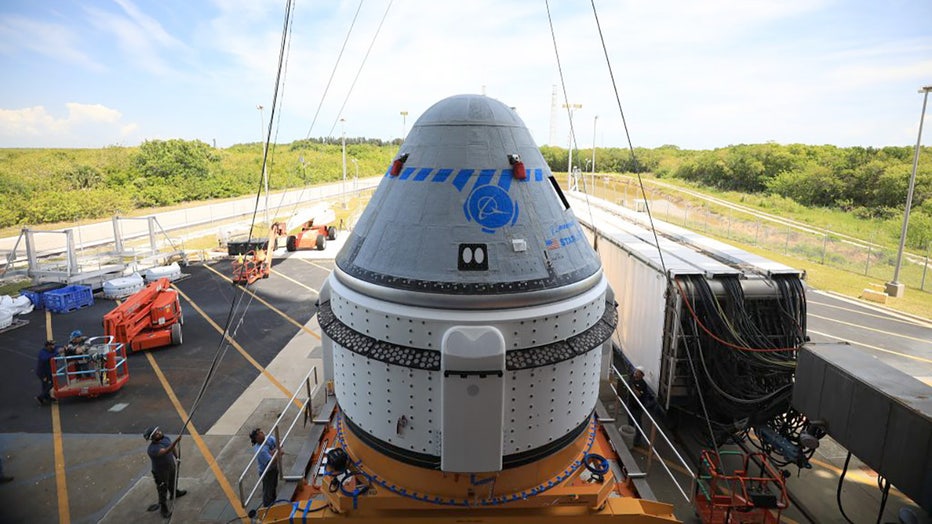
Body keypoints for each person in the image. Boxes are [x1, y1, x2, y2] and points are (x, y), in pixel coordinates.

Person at [144, 426, 186, 518]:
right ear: (153, 438)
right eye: (156, 433)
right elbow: (166, 451)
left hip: (170, 466)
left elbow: (171, 447)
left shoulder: (165, 438)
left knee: (173, 481)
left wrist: (177, 457)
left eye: (158, 431)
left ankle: (174, 493)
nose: (159, 432)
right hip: (160, 472)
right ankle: (164, 509)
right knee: (162, 490)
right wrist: (176, 441)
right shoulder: (152, 449)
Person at [250, 428, 280, 507]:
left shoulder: (269, 438)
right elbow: (272, 461)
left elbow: (279, 444)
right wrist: (276, 452)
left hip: (274, 468)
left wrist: (273, 453)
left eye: (260, 432)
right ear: (256, 439)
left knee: (274, 486)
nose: (261, 433)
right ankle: (267, 507)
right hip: (266, 472)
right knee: (268, 491)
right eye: (258, 434)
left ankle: (273, 503)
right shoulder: (261, 450)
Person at [628, 366, 655, 447]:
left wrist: (632, 387)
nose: (635, 373)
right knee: (630, 422)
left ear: (642, 375)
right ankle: (629, 436)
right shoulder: (632, 378)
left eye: (638, 372)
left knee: (638, 422)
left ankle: (638, 439)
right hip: (630, 404)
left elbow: (639, 394)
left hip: (638, 408)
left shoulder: (643, 384)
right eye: (636, 371)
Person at [35, 340, 59, 406]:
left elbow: (58, 347)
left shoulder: (52, 350)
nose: (53, 346)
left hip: (48, 371)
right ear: (48, 346)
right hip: (43, 372)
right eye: (52, 345)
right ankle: (41, 397)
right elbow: (45, 358)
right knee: (50, 384)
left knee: (46, 385)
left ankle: (46, 397)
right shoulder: (42, 352)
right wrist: (56, 353)